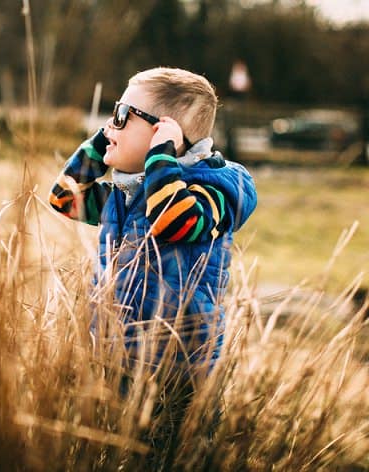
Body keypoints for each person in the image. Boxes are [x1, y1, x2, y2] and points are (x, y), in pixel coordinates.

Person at [48, 67, 257, 467]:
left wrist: (161, 154)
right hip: (117, 358)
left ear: (168, 134)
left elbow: (173, 220)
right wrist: (107, 138)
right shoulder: (124, 196)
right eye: (112, 112)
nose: (110, 124)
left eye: (124, 114)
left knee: (173, 459)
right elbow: (63, 197)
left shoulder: (215, 189)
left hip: (178, 371)